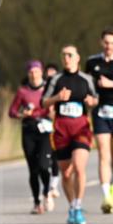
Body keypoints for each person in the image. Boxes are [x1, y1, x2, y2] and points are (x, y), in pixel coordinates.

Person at [42, 46, 98, 224]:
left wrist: (92, 101)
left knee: (79, 168)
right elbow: (43, 102)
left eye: (70, 55)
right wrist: (57, 97)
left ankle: (78, 206)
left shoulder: (86, 79)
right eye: (64, 55)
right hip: (61, 129)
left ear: (77, 58)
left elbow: (96, 99)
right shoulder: (56, 79)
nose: (66, 58)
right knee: (66, 174)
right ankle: (72, 207)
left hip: (81, 127)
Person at [87, 28, 113, 214]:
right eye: (106, 42)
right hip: (100, 112)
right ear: (101, 42)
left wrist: (110, 84)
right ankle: (106, 196)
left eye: (112, 43)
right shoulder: (92, 62)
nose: (108, 46)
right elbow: (87, 85)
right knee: (104, 155)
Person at [8, 60, 54, 214]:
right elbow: (12, 112)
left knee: (43, 166)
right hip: (28, 130)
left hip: (45, 130)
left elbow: (57, 106)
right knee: (33, 170)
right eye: (31, 72)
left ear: (42, 72)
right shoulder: (23, 91)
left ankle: (47, 192)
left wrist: (53, 112)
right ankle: (37, 203)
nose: (34, 74)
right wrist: (22, 114)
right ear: (28, 74)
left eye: (36, 71)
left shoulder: (49, 88)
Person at [43, 62, 63, 199]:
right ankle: (46, 187)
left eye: (53, 74)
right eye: (48, 74)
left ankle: (53, 185)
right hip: (44, 126)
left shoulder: (61, 88)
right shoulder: (43, 89)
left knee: (56, 159)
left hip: (58, 127)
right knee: (45, 160)